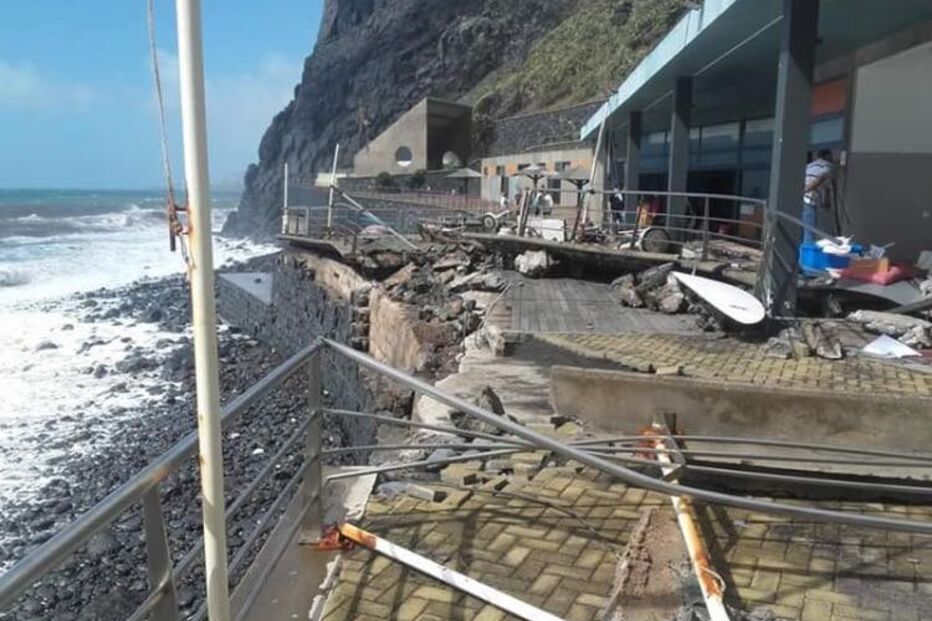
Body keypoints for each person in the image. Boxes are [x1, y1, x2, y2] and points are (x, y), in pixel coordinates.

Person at [802, 149, 834, 244]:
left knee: (803, 230)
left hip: (802, 200)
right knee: (809, 231)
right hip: (809, 200)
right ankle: (807, 258)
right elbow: (822, 178)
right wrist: (806, 190)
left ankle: (801, 255)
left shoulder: (809, 166)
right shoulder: (828, 166)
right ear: (828, 156)